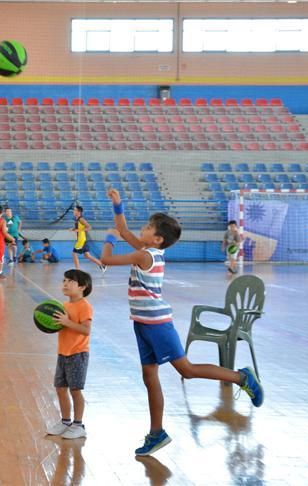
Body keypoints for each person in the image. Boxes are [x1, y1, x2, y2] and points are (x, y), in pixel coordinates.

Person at [99, 188, 264, 456]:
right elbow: (124, 228)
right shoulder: (146, 249)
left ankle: (241, 377)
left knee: (186, 369)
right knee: (149, 376)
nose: (143, 228)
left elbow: (106, 258)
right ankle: (157, 433)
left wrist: (108, 238)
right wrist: (118, 205)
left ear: (158, 238)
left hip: (157, 324)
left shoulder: (145, 255)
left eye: (149, 227)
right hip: (142, 322)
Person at [46, 269, 94, 440]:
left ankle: (79, 424)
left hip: (77, 354)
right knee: (60, 388)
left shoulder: (84, 307)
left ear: (82, 287)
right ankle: (65, 421)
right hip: (63, 353)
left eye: (70, 281)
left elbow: (86, 330)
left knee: (75, 390)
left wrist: (67, 322)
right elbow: (62, 326)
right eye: (64, 280)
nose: (65, 284)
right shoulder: (64, 306)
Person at [71, 206, 106, 273]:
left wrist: (78, 230)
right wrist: (73, 229)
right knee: (87, 255)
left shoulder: (81, 219)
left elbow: (89, 227)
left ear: (79, 212)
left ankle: (78, 271)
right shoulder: (77, 219)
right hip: (83, 240)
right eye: (74, 210)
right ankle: (102, 265)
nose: (73, 211)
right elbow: (79, 228)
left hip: (81, 240)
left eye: (75, 210)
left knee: (74, 253)